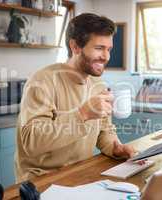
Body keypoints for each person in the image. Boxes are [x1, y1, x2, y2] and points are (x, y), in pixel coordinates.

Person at [14, 13, 136, 182]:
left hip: (78, 175)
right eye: (99, 48)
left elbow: (104, 130)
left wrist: (115, 148)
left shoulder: (97, 83)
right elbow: (31, 143)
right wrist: (82, 114)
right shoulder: (42, 81)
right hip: (41, 182)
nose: (106, 57)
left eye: (109, 49)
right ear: (75, 46)